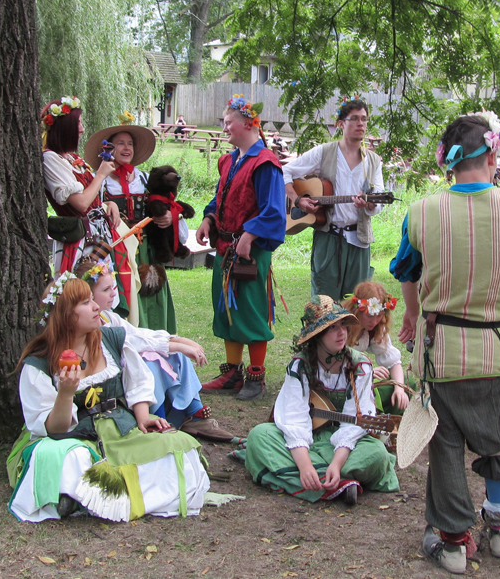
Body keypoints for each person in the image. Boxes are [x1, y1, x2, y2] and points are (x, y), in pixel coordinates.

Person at [391, 111, 500, 574]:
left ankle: (453, 543)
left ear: (447, 162)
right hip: (498, 348)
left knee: (447, 444)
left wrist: (413, 314)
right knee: (497, 439)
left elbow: (406, 270)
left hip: (444, 352)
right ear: (493, 152)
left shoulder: (422, 213)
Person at [7, 274, 209, 522]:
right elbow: (55, 430)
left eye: (93, 299)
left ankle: (90, 499)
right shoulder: (39, 363)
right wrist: (66, 393)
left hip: (120, 429)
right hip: (74, 437)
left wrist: (144, 417)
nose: (96, 307)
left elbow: (138, 382)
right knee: (68, 457)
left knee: (178, 447)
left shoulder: (110, 340)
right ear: (66, 315)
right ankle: (86, 496)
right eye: (85, 303)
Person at [240, 295, 400, 504]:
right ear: (318, 335)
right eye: (333, 327)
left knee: (376, 454)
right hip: (304, 441)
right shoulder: (300, 366)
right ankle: (339, 483)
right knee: (259, 436)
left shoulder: (360, 366)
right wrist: (305, 464)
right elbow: (293, 420)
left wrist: (336, 462)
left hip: (345, 445)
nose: (342, 332)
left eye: (343, 325)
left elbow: (353, 424)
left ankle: (314, 477)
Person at [74, 258, 232, 442]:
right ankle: (159, 419)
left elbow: (138, 333)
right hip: (120, 387)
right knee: (152, 362)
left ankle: (195, 414)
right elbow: (134, 341)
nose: (113, 293)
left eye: (113, 287)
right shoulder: (95, 328)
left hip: (130, 375)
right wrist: (176, 344)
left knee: (174, 355)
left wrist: (176, 340)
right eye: (105, 290)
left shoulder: (107, 317)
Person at [195, 95, 286, 401]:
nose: (224, 128)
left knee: (250, 308)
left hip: (250, 252)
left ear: (248, 123)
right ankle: (232, 372)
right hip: (224, 247)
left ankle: (256, 376)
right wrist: (208, 218)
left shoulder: (266, 163)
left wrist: (249, 235)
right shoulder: (229, 160)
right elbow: (221, 198)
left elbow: (273, 210)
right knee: (226, 308)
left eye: (228, 122)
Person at [83, 124, 187, 333]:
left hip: (147, 248)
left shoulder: (145, 179)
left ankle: (155, 341)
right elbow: (90, 212)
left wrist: (168, 216)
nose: (126, 148)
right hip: (117, 252)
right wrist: (107, 205)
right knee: (122, 293)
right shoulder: (101, 181)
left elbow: (169, 204)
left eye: (130, 143)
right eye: (120, 143)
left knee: (151, 290)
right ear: (109, 148)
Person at [282, 97, 385, 301]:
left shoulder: (373, 161)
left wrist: (369, 204)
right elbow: (285, 170)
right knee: (323, 304)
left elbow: (379, 202)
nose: (360, 124)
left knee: (356, 304)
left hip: (359, 241)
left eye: (364, 119)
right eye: (354, 119)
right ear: (341, 124)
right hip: (328, 239)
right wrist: (298, 200)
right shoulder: (324, 152)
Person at [41, 96, 134, 317]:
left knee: (103, 296)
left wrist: (108, 203)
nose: (82, 129)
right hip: (79, 244)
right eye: (79, 124)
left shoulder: (71, 157)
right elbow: (81, 203)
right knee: (80, 298)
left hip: (98, 239)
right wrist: (101, 174)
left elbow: (91, 197)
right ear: (66, 128)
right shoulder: (51, 159)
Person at [342, 281, 411, 415]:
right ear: (357, 310)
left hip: (356, 378)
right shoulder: (342, 329)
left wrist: (399, 389)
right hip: (335, 383)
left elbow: (394, 362)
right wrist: (368, 373)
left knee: (407, 384)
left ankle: (396, 427)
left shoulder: (376, 329)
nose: (374, 322)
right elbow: (335, 367)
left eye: (379, 316)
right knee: (372, 392)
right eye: (369, 316)